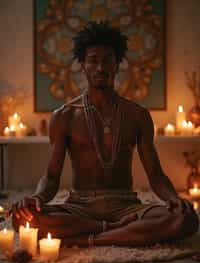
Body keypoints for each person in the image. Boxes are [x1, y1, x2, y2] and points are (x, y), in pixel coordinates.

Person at [12, 21, 198, 247]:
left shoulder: (137, 115)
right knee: (21, 219)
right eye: (93, 60)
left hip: (126, 205)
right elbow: (51, 177)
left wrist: (173, 199)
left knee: (186, 218)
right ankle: (115, 232)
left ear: (117, 64)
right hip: (80, 206)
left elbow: (156, 175)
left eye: (108, 60)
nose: (101, 67)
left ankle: (88, 238)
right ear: (82, 65)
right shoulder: (64, 116)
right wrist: (37, 198)